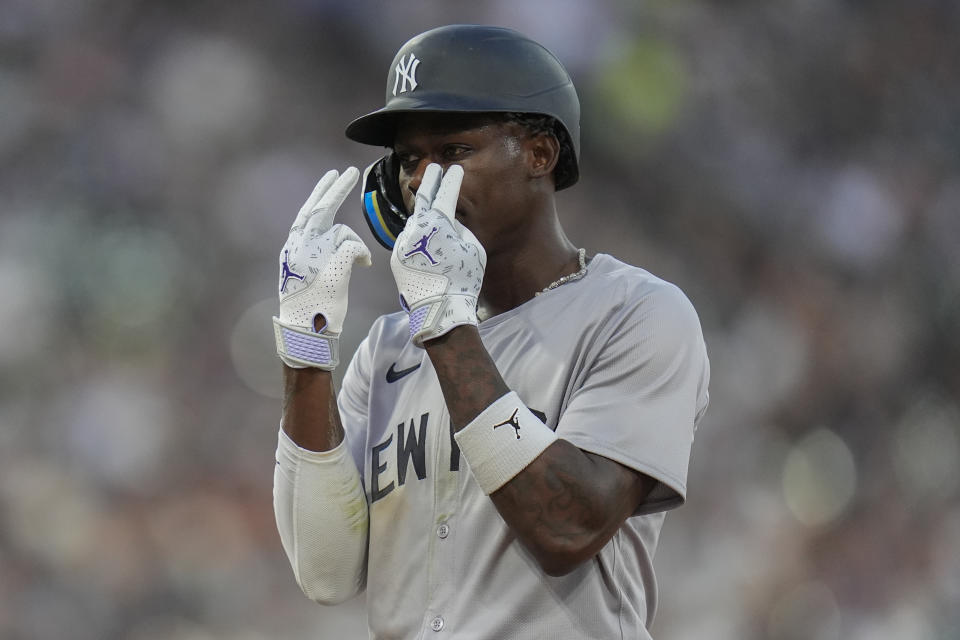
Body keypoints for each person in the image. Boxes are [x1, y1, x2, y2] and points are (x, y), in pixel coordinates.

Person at [271, 24, 710, 640]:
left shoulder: (635, 313)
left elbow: (570, 529)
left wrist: (445, 326)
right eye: (407, 160)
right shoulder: (390, 349)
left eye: (452, 152)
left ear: (539, 155)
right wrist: (306, 348)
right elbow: (327, 573)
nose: (422, 182)